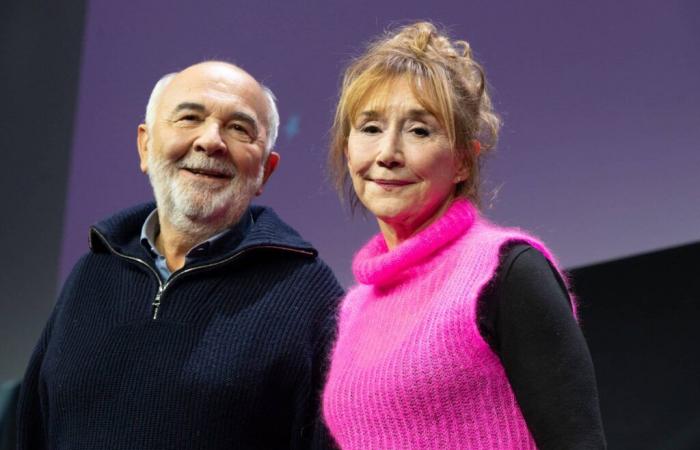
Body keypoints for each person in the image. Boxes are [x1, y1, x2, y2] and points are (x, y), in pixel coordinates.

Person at [17, 61, 343, 449]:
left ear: (265, 172)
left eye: (239, 128)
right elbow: (33, 428)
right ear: (145, 145)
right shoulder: (93, 271)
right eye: (189, 118)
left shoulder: (309, 295)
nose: (211, 141)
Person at [322, 22, 606, 449]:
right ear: (348, 149)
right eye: (370, 128)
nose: (387, 154)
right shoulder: (354, 308)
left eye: (419, 130)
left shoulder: (506, 271)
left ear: (461, 162)